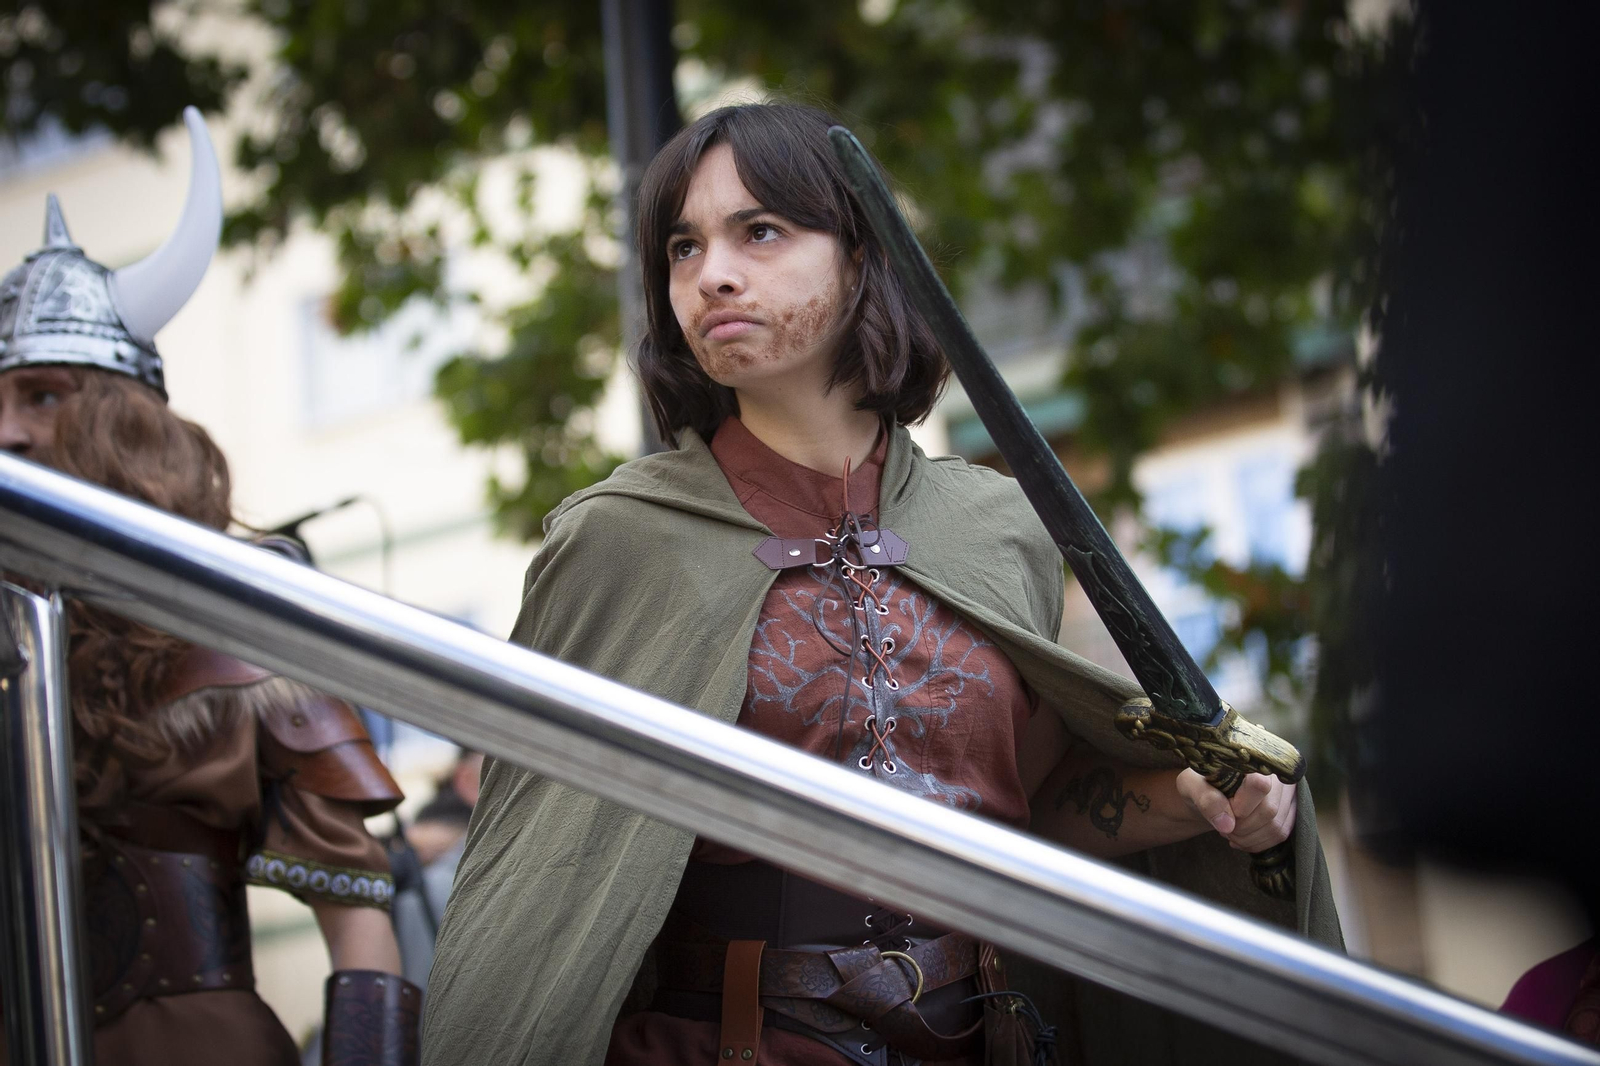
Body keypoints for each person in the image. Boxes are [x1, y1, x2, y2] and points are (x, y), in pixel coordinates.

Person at [423, 102, 1342, 1066]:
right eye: (683, 248)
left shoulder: (995, 526)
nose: (713, 275)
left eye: (761, 231)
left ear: (861, 257)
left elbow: (1025, 815)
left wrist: (1191, 802)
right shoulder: (621, 541)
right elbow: (548, 880)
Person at [0, 109, 420, 1066]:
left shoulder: (243, 624)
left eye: (44, 396)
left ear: (121, 425)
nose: (10, 434)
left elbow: (357, 919)